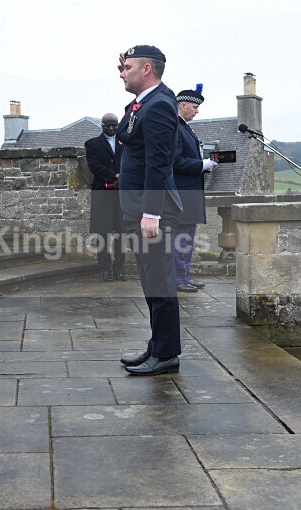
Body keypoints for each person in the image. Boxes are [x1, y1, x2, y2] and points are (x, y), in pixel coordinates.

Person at [115, 45, 183, 376]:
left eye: (127, 67)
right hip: (138, 207)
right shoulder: (145, 103)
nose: (121, 72)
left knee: (160, 281)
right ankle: (157, 346)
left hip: (151, 209)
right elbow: (128, 131)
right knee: (149, 279)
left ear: (147, 70)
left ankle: (167, 353)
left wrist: (151, 213)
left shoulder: (159, 106)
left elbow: (158, 162)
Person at [173, 85, 218, 292]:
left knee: (187, 239)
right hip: (182, 193)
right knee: (181, 238)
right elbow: (176, 162)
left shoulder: (185, 127)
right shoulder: (175, 127)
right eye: (194, 107)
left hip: (190, 193)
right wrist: (202, 165)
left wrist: (205, 165)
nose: (197, 111)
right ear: (182, 105)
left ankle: (185, 276)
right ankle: (178, 279)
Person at [85, 113, 127, 282]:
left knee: (122, 233)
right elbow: (94, 166)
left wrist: (124, 177)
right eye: (107, 125)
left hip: (123, 194)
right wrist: (115, 175)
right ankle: (105, 270)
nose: (111, 129)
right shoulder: (92, 144)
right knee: (103, 233)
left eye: (114, 125)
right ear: (101, 125)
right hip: (103, 193)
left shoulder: (126, 143)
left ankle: (119, 269)